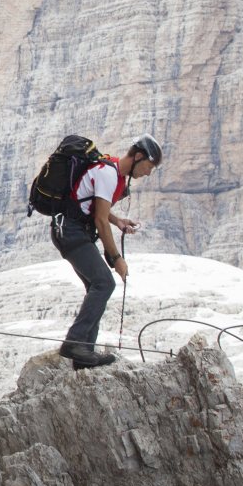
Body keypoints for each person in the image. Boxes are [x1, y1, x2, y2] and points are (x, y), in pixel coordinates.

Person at [51, 135, 162, 369]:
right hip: (71, 231)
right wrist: (116, 258)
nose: (148, 173)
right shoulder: (108, 173)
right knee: (104, 283)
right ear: (139, 157)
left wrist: (118, 221)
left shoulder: (113, 171)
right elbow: (100, 220)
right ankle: (74, 343)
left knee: (97, 286)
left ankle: (84, 354)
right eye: (149, 167)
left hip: (72, 230)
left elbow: (96, 208)